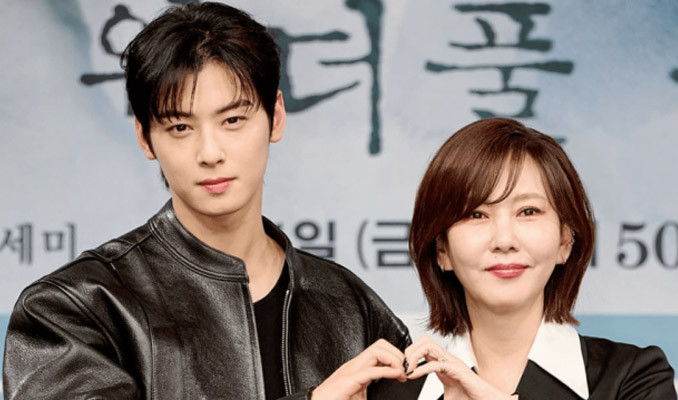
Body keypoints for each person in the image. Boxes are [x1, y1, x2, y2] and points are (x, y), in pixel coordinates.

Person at [2, 2, 423, 399]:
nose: (210, 152)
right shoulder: (75, 308)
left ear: (275, 116)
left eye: (233, 120)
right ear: (145, 137)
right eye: (180, 128)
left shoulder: (349, 306)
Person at [403, 118, 676, 399]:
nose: (504, 241)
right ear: (442, 250)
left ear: (565, 240)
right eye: (476, 214)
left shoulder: (634, 379)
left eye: (528, 211)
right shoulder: (395, 392)